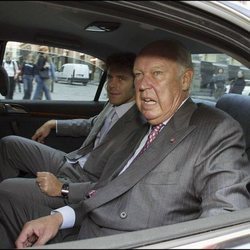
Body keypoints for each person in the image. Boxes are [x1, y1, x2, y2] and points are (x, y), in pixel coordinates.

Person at [1, 40, 250, 248]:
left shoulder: (216, 130)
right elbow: (108, 190)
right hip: (85, 223)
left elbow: (225, 219)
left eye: (157, 74)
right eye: (139, 75)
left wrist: (63, 190)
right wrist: (59, 218)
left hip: (117, 241)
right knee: (8, 200)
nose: (143, 85)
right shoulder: (144, 125)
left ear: (185, 80)